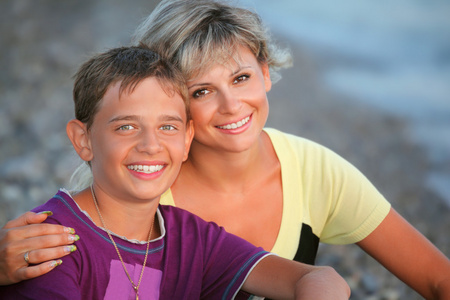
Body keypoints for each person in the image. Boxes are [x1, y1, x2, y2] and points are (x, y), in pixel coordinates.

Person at [0, 0, 449, 298]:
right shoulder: (147, 196)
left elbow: (434, 277)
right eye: (201, 91)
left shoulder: (311, 173)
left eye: (240, 78)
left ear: (266, 72)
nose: (232, 104)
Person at [0, 45, 350, 300]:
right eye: (125, 127)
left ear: (187, 140)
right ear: (83, 139)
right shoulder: (47, 245)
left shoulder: (188, 237)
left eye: (167, 127)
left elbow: (319, 279)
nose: (150, 145)